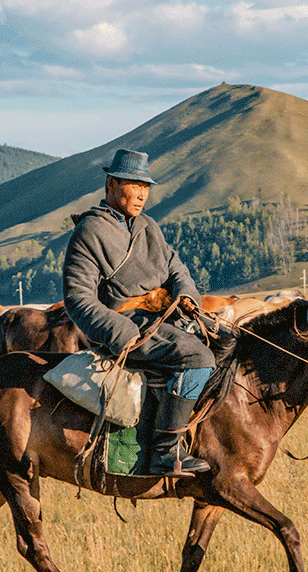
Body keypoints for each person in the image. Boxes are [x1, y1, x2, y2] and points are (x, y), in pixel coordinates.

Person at [62, 149, 213, 476]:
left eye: (146, 186)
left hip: (166, 317)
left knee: (225, 341)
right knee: (197, 358)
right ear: (112, 184)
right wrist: (120, 332)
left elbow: (178, 270)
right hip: (126, 324)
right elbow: (77, 297)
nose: (142, 194)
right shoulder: (89, 232)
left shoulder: (148, 226)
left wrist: (186, 295)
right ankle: (164, 452)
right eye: (134, 185)